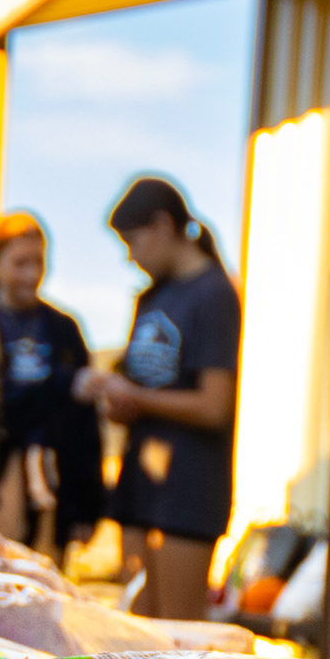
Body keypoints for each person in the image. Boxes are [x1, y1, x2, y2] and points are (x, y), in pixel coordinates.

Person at [77, 174, 240, 619]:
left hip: (188, 492)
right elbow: (142, 387)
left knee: (177, 642)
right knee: (137, 637)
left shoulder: (214, 293)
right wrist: (117, 399)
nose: (130, 257)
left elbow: (213, 406)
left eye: (133, 241)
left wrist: (137, 397)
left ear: (165, 226)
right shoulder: (151, 298)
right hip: (140, 487)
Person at [0, 211, 102, 563]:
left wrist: (85, 507)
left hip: (51, 490)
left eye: (38, 262)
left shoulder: (63, 329)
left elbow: (84, 427)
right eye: (19, 263)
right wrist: (61, 385)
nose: (31, 274)